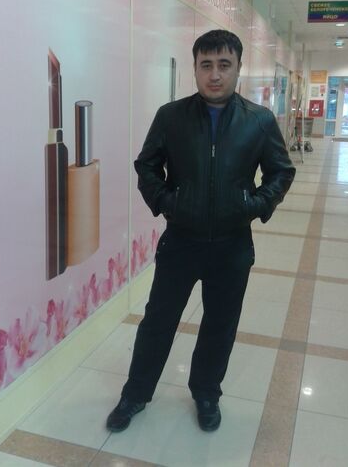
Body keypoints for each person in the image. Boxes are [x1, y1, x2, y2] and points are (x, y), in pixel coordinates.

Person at [106, 29, 296, 433]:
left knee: (220, 324)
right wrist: (168, 202)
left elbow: (281, 171)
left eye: (224, 65)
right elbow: (146, 166)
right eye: (206, 65)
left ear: (238, 68)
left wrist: (254, 205)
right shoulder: (171, 116)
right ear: (194, 68)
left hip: (232, 245)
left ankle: (207, 393)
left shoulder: (259, 121)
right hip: (181, 241)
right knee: (158, 321)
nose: (215, 74)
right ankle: (135, 394)